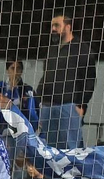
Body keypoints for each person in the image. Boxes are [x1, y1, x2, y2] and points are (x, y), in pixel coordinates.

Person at [38, 13, 96, 150]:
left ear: (68, 27)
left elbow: (89, 79)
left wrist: (82, 105)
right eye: (52, 25)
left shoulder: (82, 49)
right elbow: (46, 75)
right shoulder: (52, 49)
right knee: (49, 150)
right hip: (48, 106)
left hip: (68, 107)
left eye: (57, 25)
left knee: (70, 149)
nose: (53, 28)